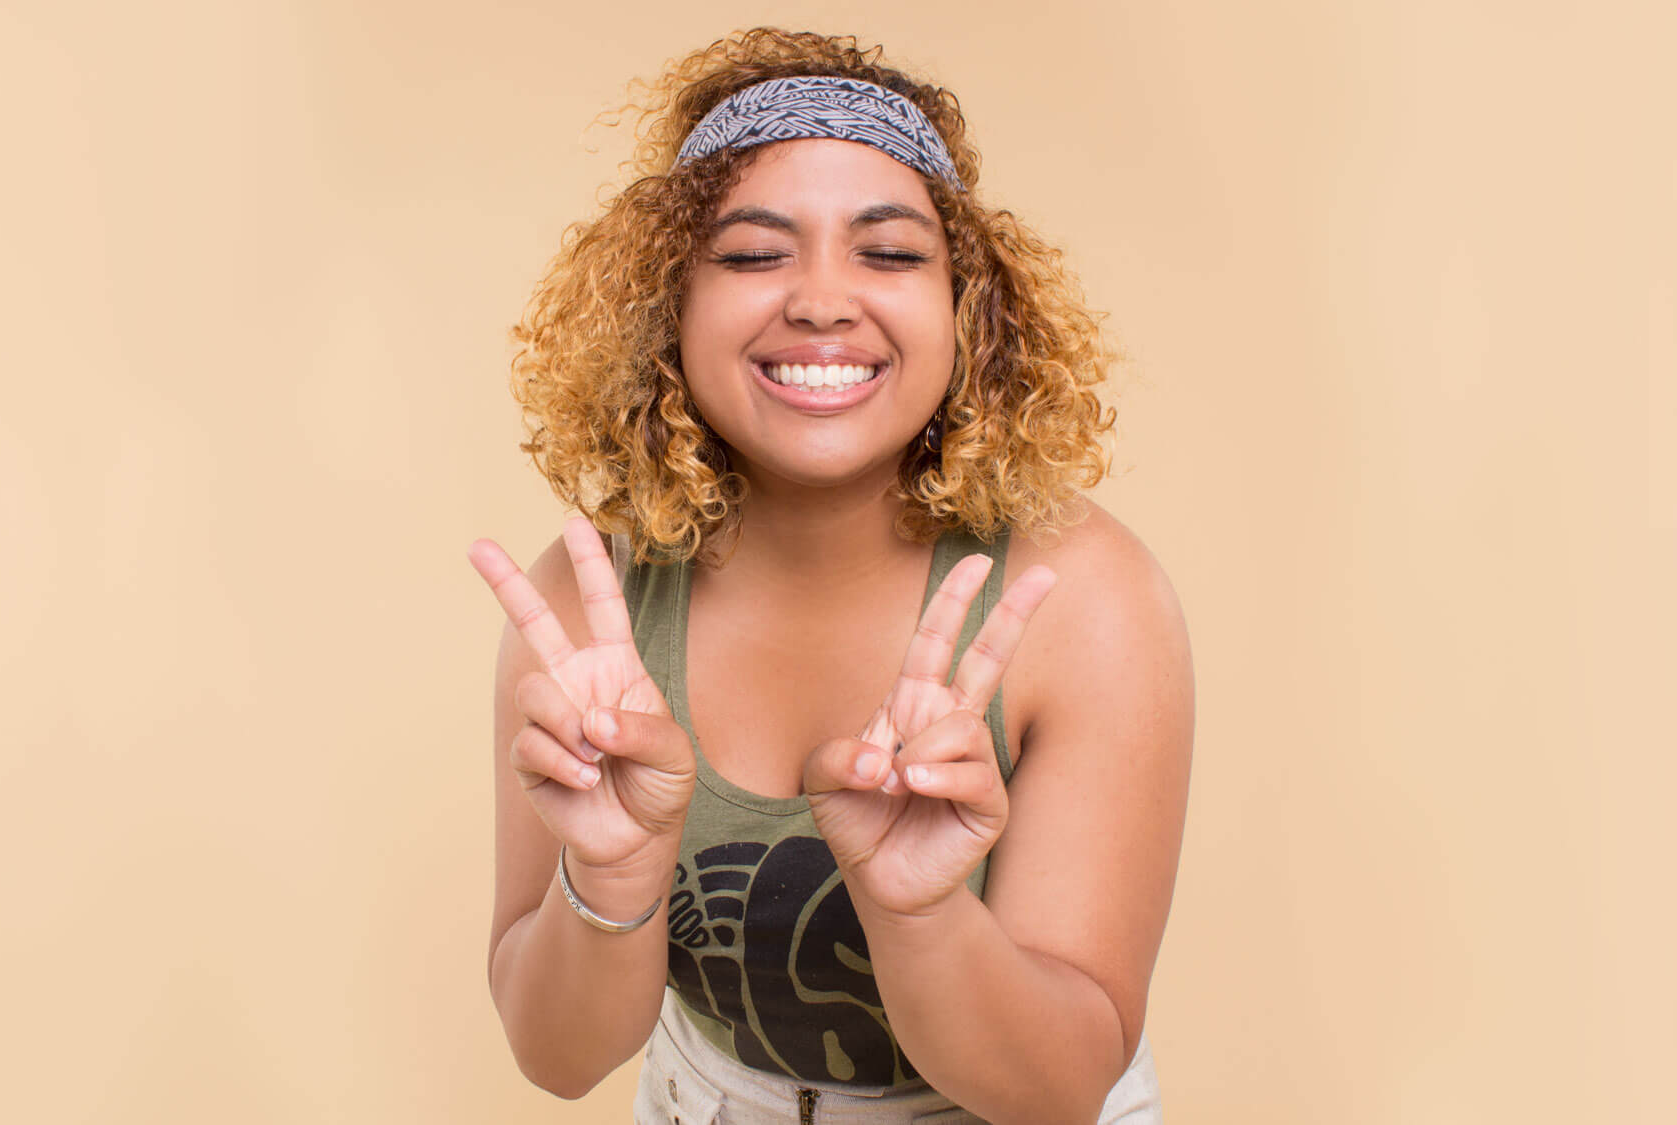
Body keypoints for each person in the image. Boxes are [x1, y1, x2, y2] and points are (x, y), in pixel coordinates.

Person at [466, 27, 1192, 1124]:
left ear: (970, 313)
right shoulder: (587, 613)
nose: (818, 300)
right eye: (753, 254)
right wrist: (608, 881)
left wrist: (918, 912)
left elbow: (1055, 1089)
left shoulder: (1084, 604)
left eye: (889, 254)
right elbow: (557, 1058)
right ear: (670, 310)